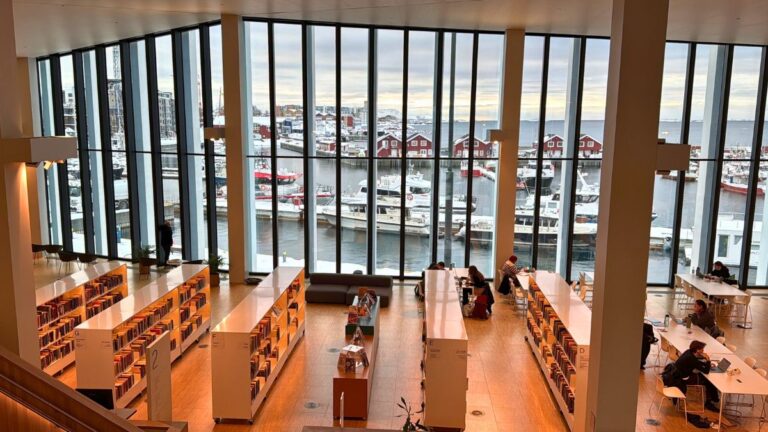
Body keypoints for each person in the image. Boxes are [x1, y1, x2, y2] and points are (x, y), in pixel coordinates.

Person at [668, 340, 720, 411]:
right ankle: (711, 401)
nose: (703, 350)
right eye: (702, 349)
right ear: (697, 350)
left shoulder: (688, 352)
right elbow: (706, 371)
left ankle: (713, 399)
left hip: (678, 375)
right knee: (708, 382)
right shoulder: (691, 358)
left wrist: (707, 364)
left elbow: (696, 363)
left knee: (705, 379)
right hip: (684, 379)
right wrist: (708, 360)